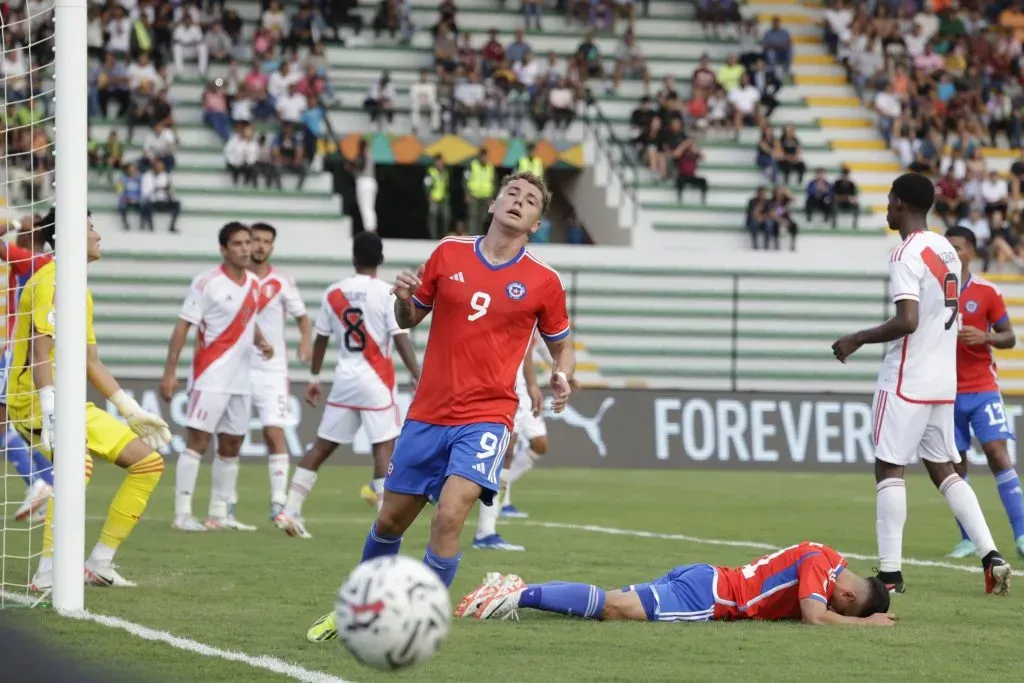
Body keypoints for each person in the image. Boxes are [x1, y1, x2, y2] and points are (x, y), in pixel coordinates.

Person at [305, 171, 576, 643]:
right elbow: (407, 318)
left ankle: (418, 622)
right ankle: (357, 609)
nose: (519, 201)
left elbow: (563, 345)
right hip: (429, 412)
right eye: (512, 192)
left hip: (488, 414)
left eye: (531, 200)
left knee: (450, 514)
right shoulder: (448, 251)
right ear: (493, 204)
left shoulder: (544, 281)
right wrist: (404, 301)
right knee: (390, 520)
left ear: (535, 223)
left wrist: (562, 374)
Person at [832, 173, 1012, 595]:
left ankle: (890, 576)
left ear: (899, 204)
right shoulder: (946, 249)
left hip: (905, 378)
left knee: (889, 467)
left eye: (891, 202)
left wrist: (856, 338)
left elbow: (907, 320)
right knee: (944, 471)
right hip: (942, 381)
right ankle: (991, 556)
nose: (889, 209)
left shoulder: (905, 253)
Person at [9, 209, 171, 590]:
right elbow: (38, 353)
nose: (98, 236)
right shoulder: (51, 281)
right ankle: (48, 571)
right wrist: (50, 410)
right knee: (75, 465)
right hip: (34, 399)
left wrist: (131, 409)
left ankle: (99, 563)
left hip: (67, 401)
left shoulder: (79, 288)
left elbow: (89, 360)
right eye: (91, 228)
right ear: (68, 235)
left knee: (148, 464)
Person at [275, 233, 421, 539]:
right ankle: (384, 521)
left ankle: (289, 509)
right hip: (376, 380)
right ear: (380, 260)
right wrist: (418, 373)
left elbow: (320, 339)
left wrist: (314, 378)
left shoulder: (334, 293)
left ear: (353, 258)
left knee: (322, 446)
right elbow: (401, 338)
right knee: (383, 447)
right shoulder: (387, 293)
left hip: (344, 379)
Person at [457, 541, 895, 626]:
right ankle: (517, 594)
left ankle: (518, 587)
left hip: (703, 575)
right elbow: (815, 617)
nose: (836, 610)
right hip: (708, 596)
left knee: (617, 603)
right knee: (613, 608)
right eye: (844, 608)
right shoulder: (821, 569)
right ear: (846, 593)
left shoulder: (831, 555)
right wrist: (866, 624)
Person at [161, 223, 274, 532]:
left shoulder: (253, 282)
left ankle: (218, 512)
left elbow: (247, 318)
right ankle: (182, 513)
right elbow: (183, 326)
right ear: (223, 249)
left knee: (232, 444)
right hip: (210, 375)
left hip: (241, 378)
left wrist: (261, 340)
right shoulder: (206, 282)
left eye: (247, 243)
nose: (245, 248)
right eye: (237, 243)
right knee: (198, 441)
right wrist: (169, 371)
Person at [942, 227, 1024, 559]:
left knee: (996, 452)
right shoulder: (933, 292)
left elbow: (1010, 337)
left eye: (957, 248)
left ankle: (1020, 534)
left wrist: (986, 337)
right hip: (944, 391)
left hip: (982, 388)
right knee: (955, 465)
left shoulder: (987, 292)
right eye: (946, 248)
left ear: (971, 253)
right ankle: (968, 538)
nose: (951, 254)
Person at [247, 223, 312, 520]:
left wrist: (305, 342)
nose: (260, 246)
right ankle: (223, 506)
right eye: (256, 240)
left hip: (272, 369)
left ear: (272, 247)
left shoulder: (283, 281)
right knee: (229, 437)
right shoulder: (237, 279)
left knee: (275, 432)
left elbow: (302, 317)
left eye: (266, 241)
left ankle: (277, 502)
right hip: (236, 366)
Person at [0, 216, 54, 522]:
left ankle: (37, 482)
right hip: (36, 353)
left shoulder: (26, 259)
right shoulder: (50, 264)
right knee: (22, 426)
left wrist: (15, 221)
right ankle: (51, 484)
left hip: (19, 354)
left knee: (3, 425)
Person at [500, 332, 552, 519]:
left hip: (526, 393)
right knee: (506, 449)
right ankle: (500, 502)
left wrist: (560, 373)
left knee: (540, 445)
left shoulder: (541, 319)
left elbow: (538, 349)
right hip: (509, 389)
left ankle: (501, 486)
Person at [465, 147, 495, 236]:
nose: (484, 158)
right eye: (482, 156)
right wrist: (467, 193)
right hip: (474, 196)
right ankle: (472, 236)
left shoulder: (490, 167)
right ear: (479, 156)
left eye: (485, 156)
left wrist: (492, 197)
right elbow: (465, 180)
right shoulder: (472, 165)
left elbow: (494, 183)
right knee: (473, 217)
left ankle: (482, 237)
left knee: (484, 218)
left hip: (486, 197)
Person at [353, 139, 378, 233]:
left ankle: (369, 230)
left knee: (365, 207)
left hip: (364, 182)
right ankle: (372, 228)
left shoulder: (361, 157)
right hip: (371, 182)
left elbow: (359, 167)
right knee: (370, 208)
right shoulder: (370, 157)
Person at [425, 154, 451, 240]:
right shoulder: (430, 171)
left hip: (443, 198)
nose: (440, 163)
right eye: (439, 162)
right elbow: (426, 184)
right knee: (433, 218)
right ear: (435, 162)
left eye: (441, 162)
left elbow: (447, 185)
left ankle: (443, 236)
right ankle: (433, 237)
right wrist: (429, 194)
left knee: (446, 217)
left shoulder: (445, 172)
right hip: (434, 198)